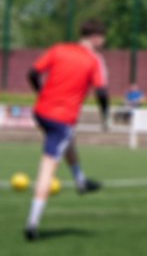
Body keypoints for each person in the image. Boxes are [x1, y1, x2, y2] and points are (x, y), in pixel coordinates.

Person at [24, 19, 108, 241]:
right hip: (61, 119)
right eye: (102, 38)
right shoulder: (93, 60)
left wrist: (41, 93)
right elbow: (101, 92)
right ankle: (32, 223)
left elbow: (32, 73)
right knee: (48, 168)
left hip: (40, 112)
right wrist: (105, 116)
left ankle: (80, 181)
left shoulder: (59, 49)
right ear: (96, 37)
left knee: (68, 138)